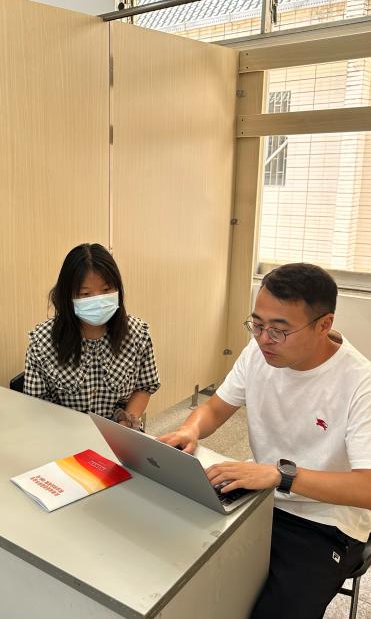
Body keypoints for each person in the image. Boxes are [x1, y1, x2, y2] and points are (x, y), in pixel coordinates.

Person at [158, 263, 371, 619]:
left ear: (324, 325)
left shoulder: (360, 383)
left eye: (279, 330)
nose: (263, 339)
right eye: (257, 325)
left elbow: (367, 489)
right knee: (180, 574)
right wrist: (190, 430)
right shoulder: (258, 353)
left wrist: (281, 476)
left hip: (324, 520)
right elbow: (214, 408)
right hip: (257, 497)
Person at [22, 243, 160, 430]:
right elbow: (36, 406)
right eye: (85, 294)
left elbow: (145, 386)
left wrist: (127, 421)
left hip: (118, 433)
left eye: (106, 290)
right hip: (62, 433)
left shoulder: (137, 334)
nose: (98, 300)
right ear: (68, 296)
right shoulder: (42, 341)